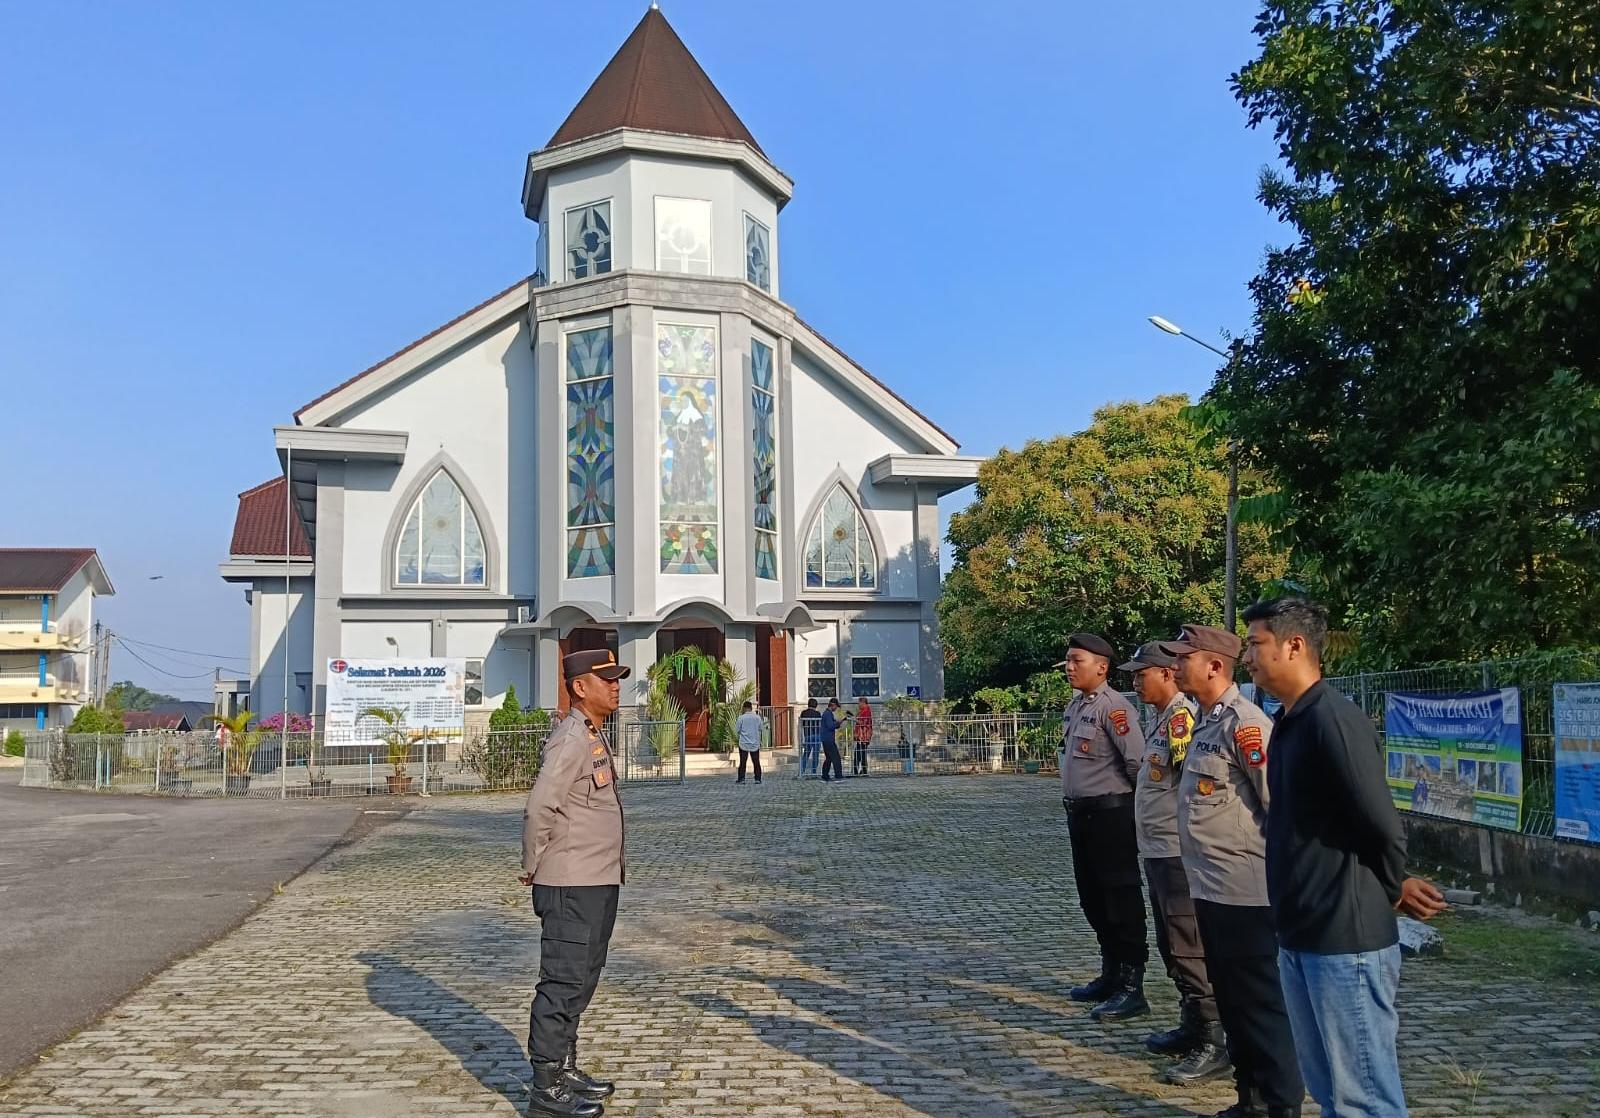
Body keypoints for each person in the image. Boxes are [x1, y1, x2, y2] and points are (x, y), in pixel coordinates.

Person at [1243, 597, 1447, 1118]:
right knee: (1330, 1091)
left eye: (1255, 643)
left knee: (1364, 1097)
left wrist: (1389, 886)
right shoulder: (1291, 721)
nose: (1247, 655)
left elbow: (1381, 825)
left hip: (1344, 941)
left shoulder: (1333, 720)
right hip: (1300, 931)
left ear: (1293, 645)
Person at [1163, 623, 1304, 1118]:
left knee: (1262, 1003)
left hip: (1247, 892)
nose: (1175, 666)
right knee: (1233, 999)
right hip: (1209, 886)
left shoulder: (1245, 725)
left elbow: (1280, 808)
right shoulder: (1204, 721)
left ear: (1214, 666)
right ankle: (1250, 1099)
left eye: (1184, 658)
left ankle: (1281, 1104)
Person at [519, 648, 630, 1118]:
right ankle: (546, 1087)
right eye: (606, 678)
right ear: (580, 687)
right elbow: (540, 805)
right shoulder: (570, 738)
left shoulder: (592, 734)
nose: (616, 685)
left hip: (597, 879)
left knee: (583, 977)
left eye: (618, 677)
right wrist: (532, 864)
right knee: (563, 980)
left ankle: (564, 1068)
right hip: (571, 882)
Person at [1120, 641, 1228, 1084]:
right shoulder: (1163, 719)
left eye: (1141, 673)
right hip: (1158, 850)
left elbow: (1189, 787)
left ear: (1165, 674)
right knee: (1171, 943)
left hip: (1178, 854)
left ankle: (1214, 1040)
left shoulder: (1182, 720)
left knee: (1189, 945)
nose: (1134, 681)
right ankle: (1192, 1023)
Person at [1058, 633, 1151, 1022]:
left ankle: (1132, 985)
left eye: (1077, 660)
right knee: (1092, 898)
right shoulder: (1077, 707)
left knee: (1119, 899)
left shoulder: (1115, 709)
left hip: (1111, 815)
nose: (1069, 667)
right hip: (1082, 816)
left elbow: (1138, 765)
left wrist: (1135, 814)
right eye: (1067, 660)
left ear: (1102, 666)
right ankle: (1111, 973)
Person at [735, 700, 764, 784]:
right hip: (755, 743)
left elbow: (737, 730)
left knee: (743, 762)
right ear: (751, 708)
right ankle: (757, 778)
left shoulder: (741, 718)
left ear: (744, 708)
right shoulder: (757, 717)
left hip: (743, 743)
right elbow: (761, 728)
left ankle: (741, 779)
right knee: (756, 762)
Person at [819, 697, 846, 783]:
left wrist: (838, 723)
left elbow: (831, 724)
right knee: (836, 758)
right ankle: (838, 776)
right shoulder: (828, 714)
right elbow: (830, 726)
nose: (836, 709)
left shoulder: (826, 713)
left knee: (829, 758)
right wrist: (838, 723)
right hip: (829, 739)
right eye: (836, 707)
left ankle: (825, 776)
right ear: (833, 705)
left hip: (825, 739)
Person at [798, 699, 822, 778]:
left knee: (806, 754)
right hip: (816, 735)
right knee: (816, 755)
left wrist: (801, 738)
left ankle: (802, 771)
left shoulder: (804, 713)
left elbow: (801, 725)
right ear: (816, 705)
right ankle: (814, 772)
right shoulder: (818, 714)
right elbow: (820, 724)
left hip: (807, 735)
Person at [853, 697, 873, 776]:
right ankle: (860, 770)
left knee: (860, 753)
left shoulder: (866, 710)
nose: (858, 705)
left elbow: (864, 722)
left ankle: (861, 770)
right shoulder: (863, 711)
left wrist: (855, 720)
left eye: (859, 703)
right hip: (861, 736)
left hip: (863, 736)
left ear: (863, 703)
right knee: (860, 753)